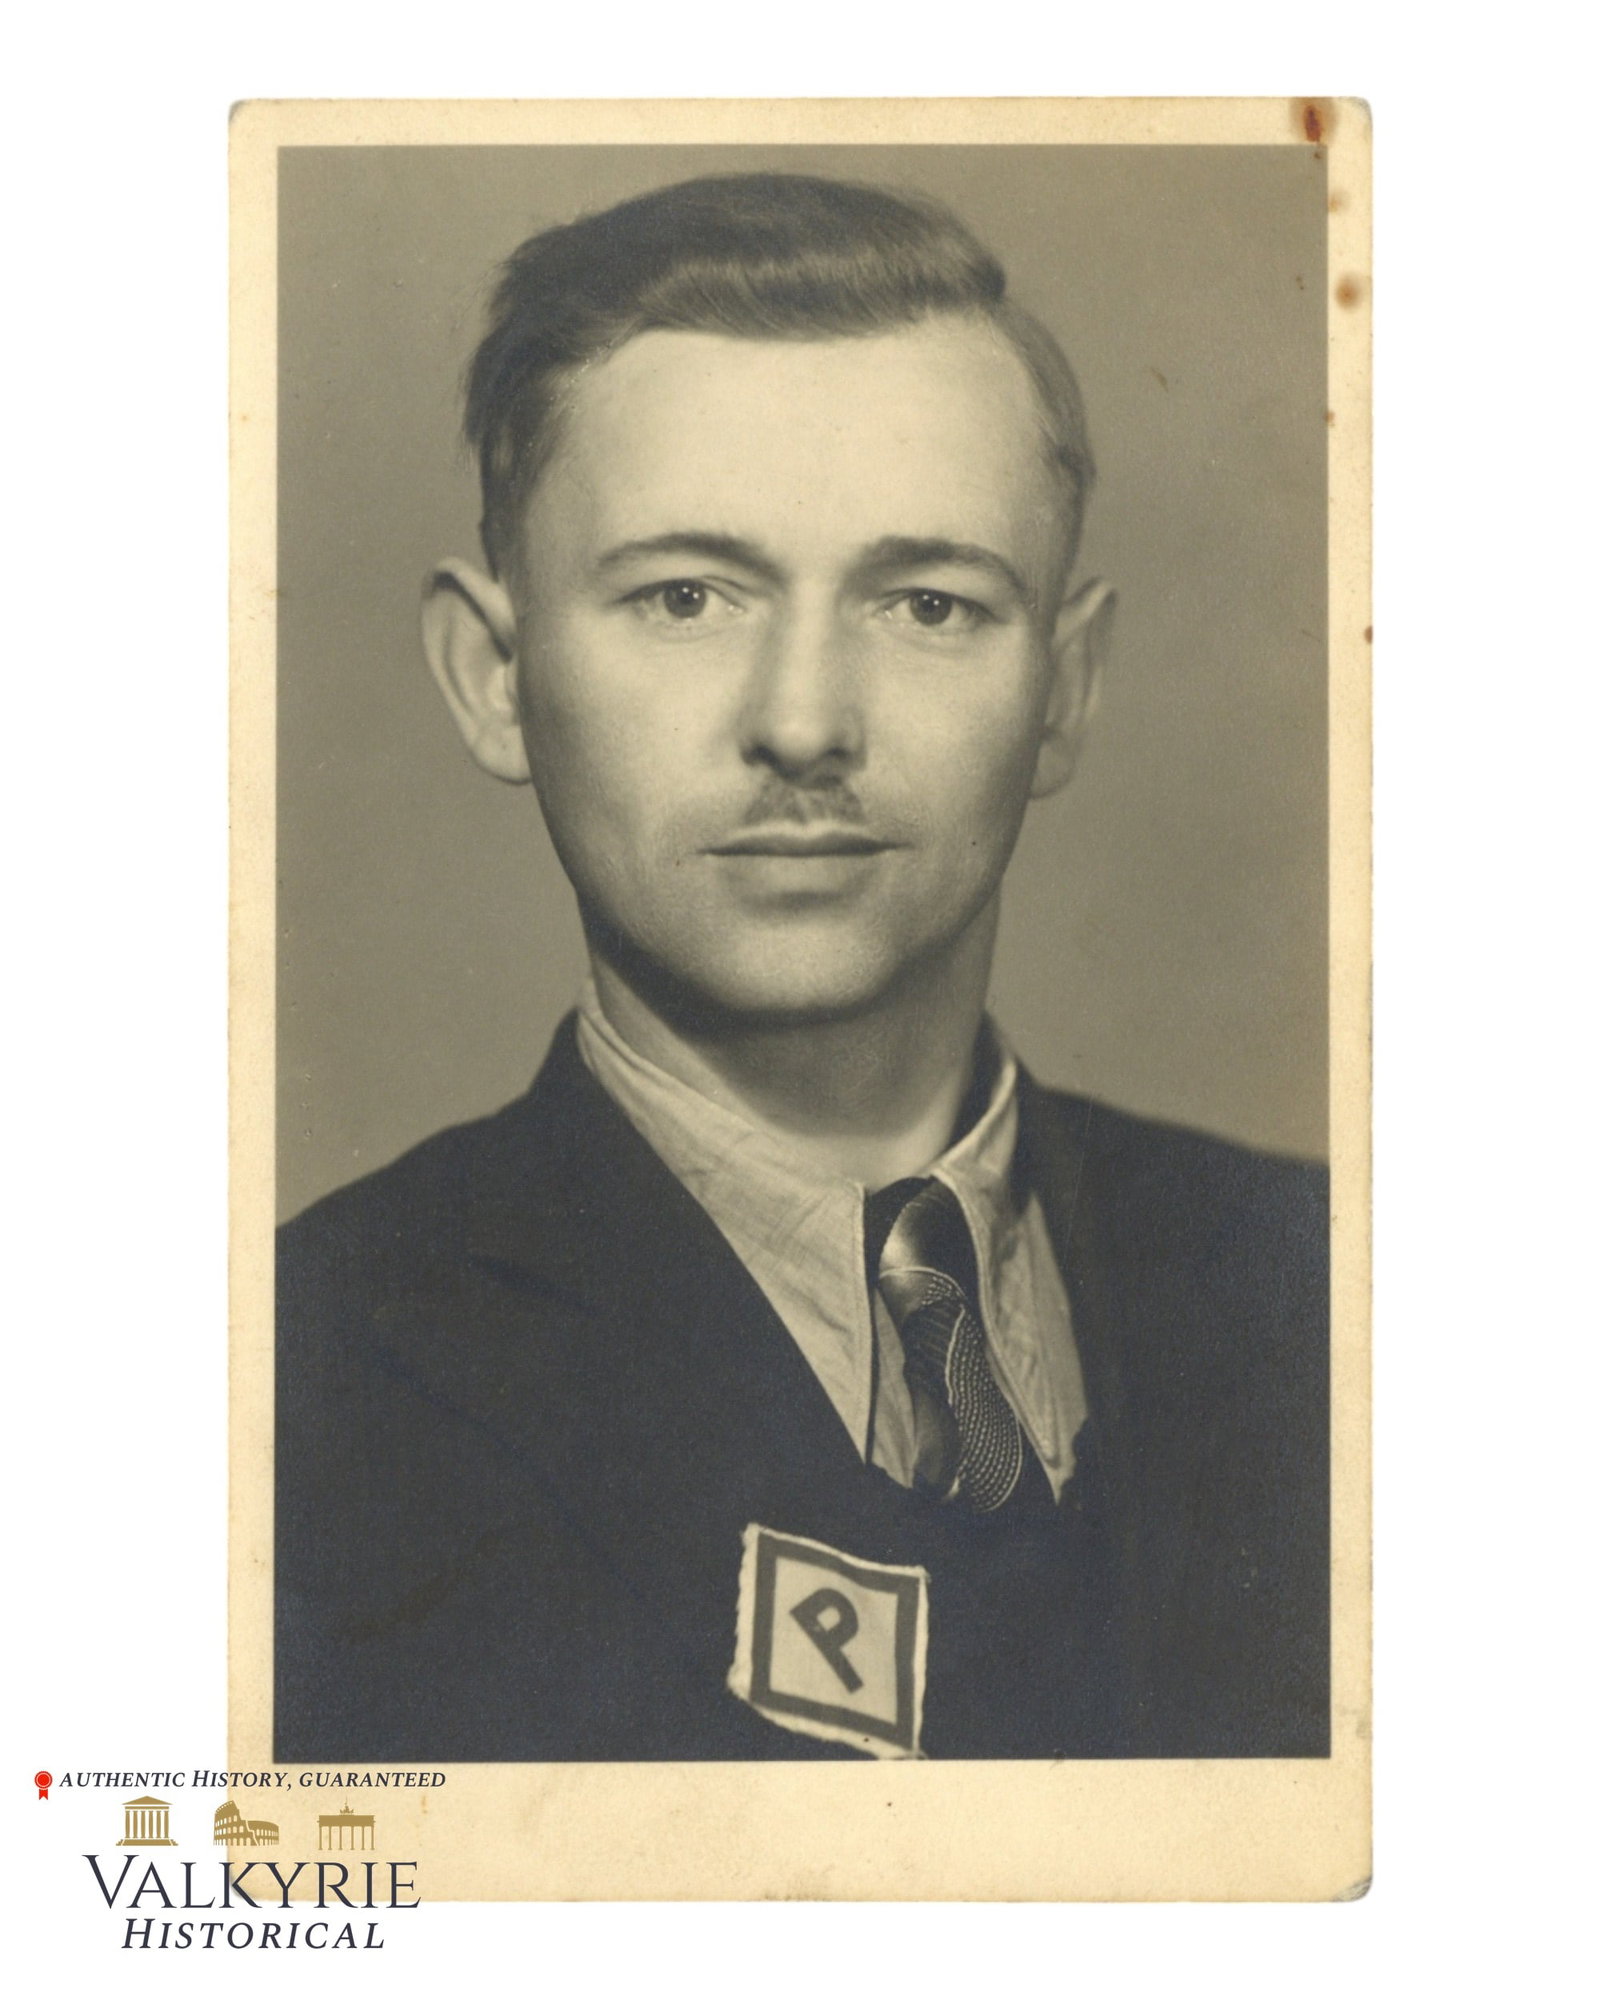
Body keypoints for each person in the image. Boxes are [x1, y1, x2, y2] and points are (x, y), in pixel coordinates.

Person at [275, 172, 1328, 1763]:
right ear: (495, 676)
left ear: (1064, 688)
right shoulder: (277, 1384)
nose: (804, 722)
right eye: (686, 596)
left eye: (928, 602)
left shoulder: (1339, 1293)